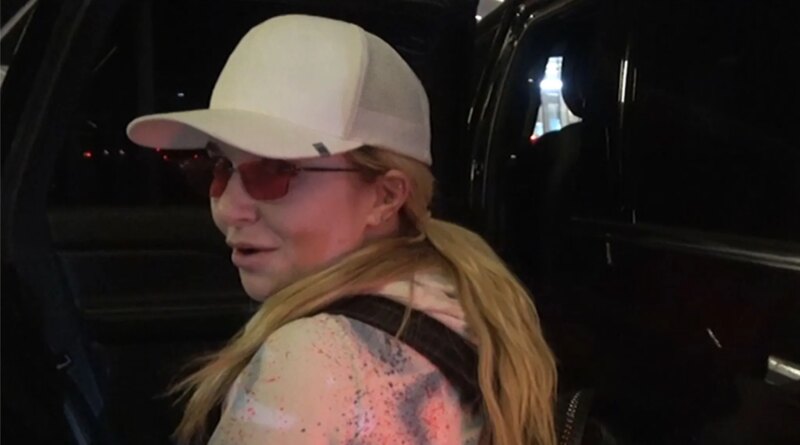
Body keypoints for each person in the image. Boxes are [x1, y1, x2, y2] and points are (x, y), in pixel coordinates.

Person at [127, 14, 557, 445]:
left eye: (277, 170)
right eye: (219, 167)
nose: (228, 208)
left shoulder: (317, 359)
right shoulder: (463, 298)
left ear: (385, 196)